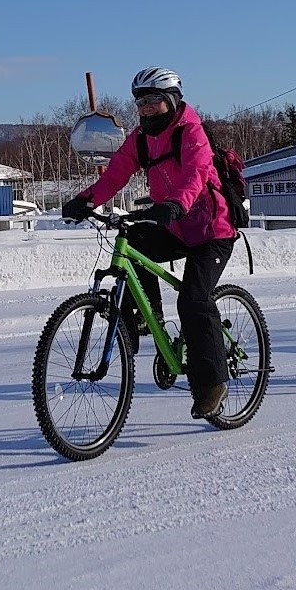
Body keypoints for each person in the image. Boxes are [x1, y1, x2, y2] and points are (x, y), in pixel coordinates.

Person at [60, 66, 238, 420]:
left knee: (193, 300)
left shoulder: (191, 132)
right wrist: (86, 200)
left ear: (172, 100)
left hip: (211, 231)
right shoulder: (141, 138)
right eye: (140, 102)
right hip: (174, 227)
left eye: (153, 100)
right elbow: (115, 174)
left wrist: (175, 205)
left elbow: (196, 173)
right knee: (135, 241)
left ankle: (212, 383)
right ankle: (146, 315)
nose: (145, 108)